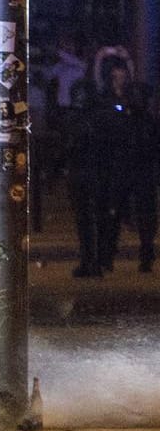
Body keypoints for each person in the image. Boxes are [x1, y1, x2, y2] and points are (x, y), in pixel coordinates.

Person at [76, 57, 156, 275]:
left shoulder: (136, 101)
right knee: (113, 212)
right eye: (116, 77)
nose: (120, 82)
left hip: (137, 166)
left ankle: (145, 254)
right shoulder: (106, 102)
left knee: (144, 212)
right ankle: (107, 255)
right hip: (118, 165)